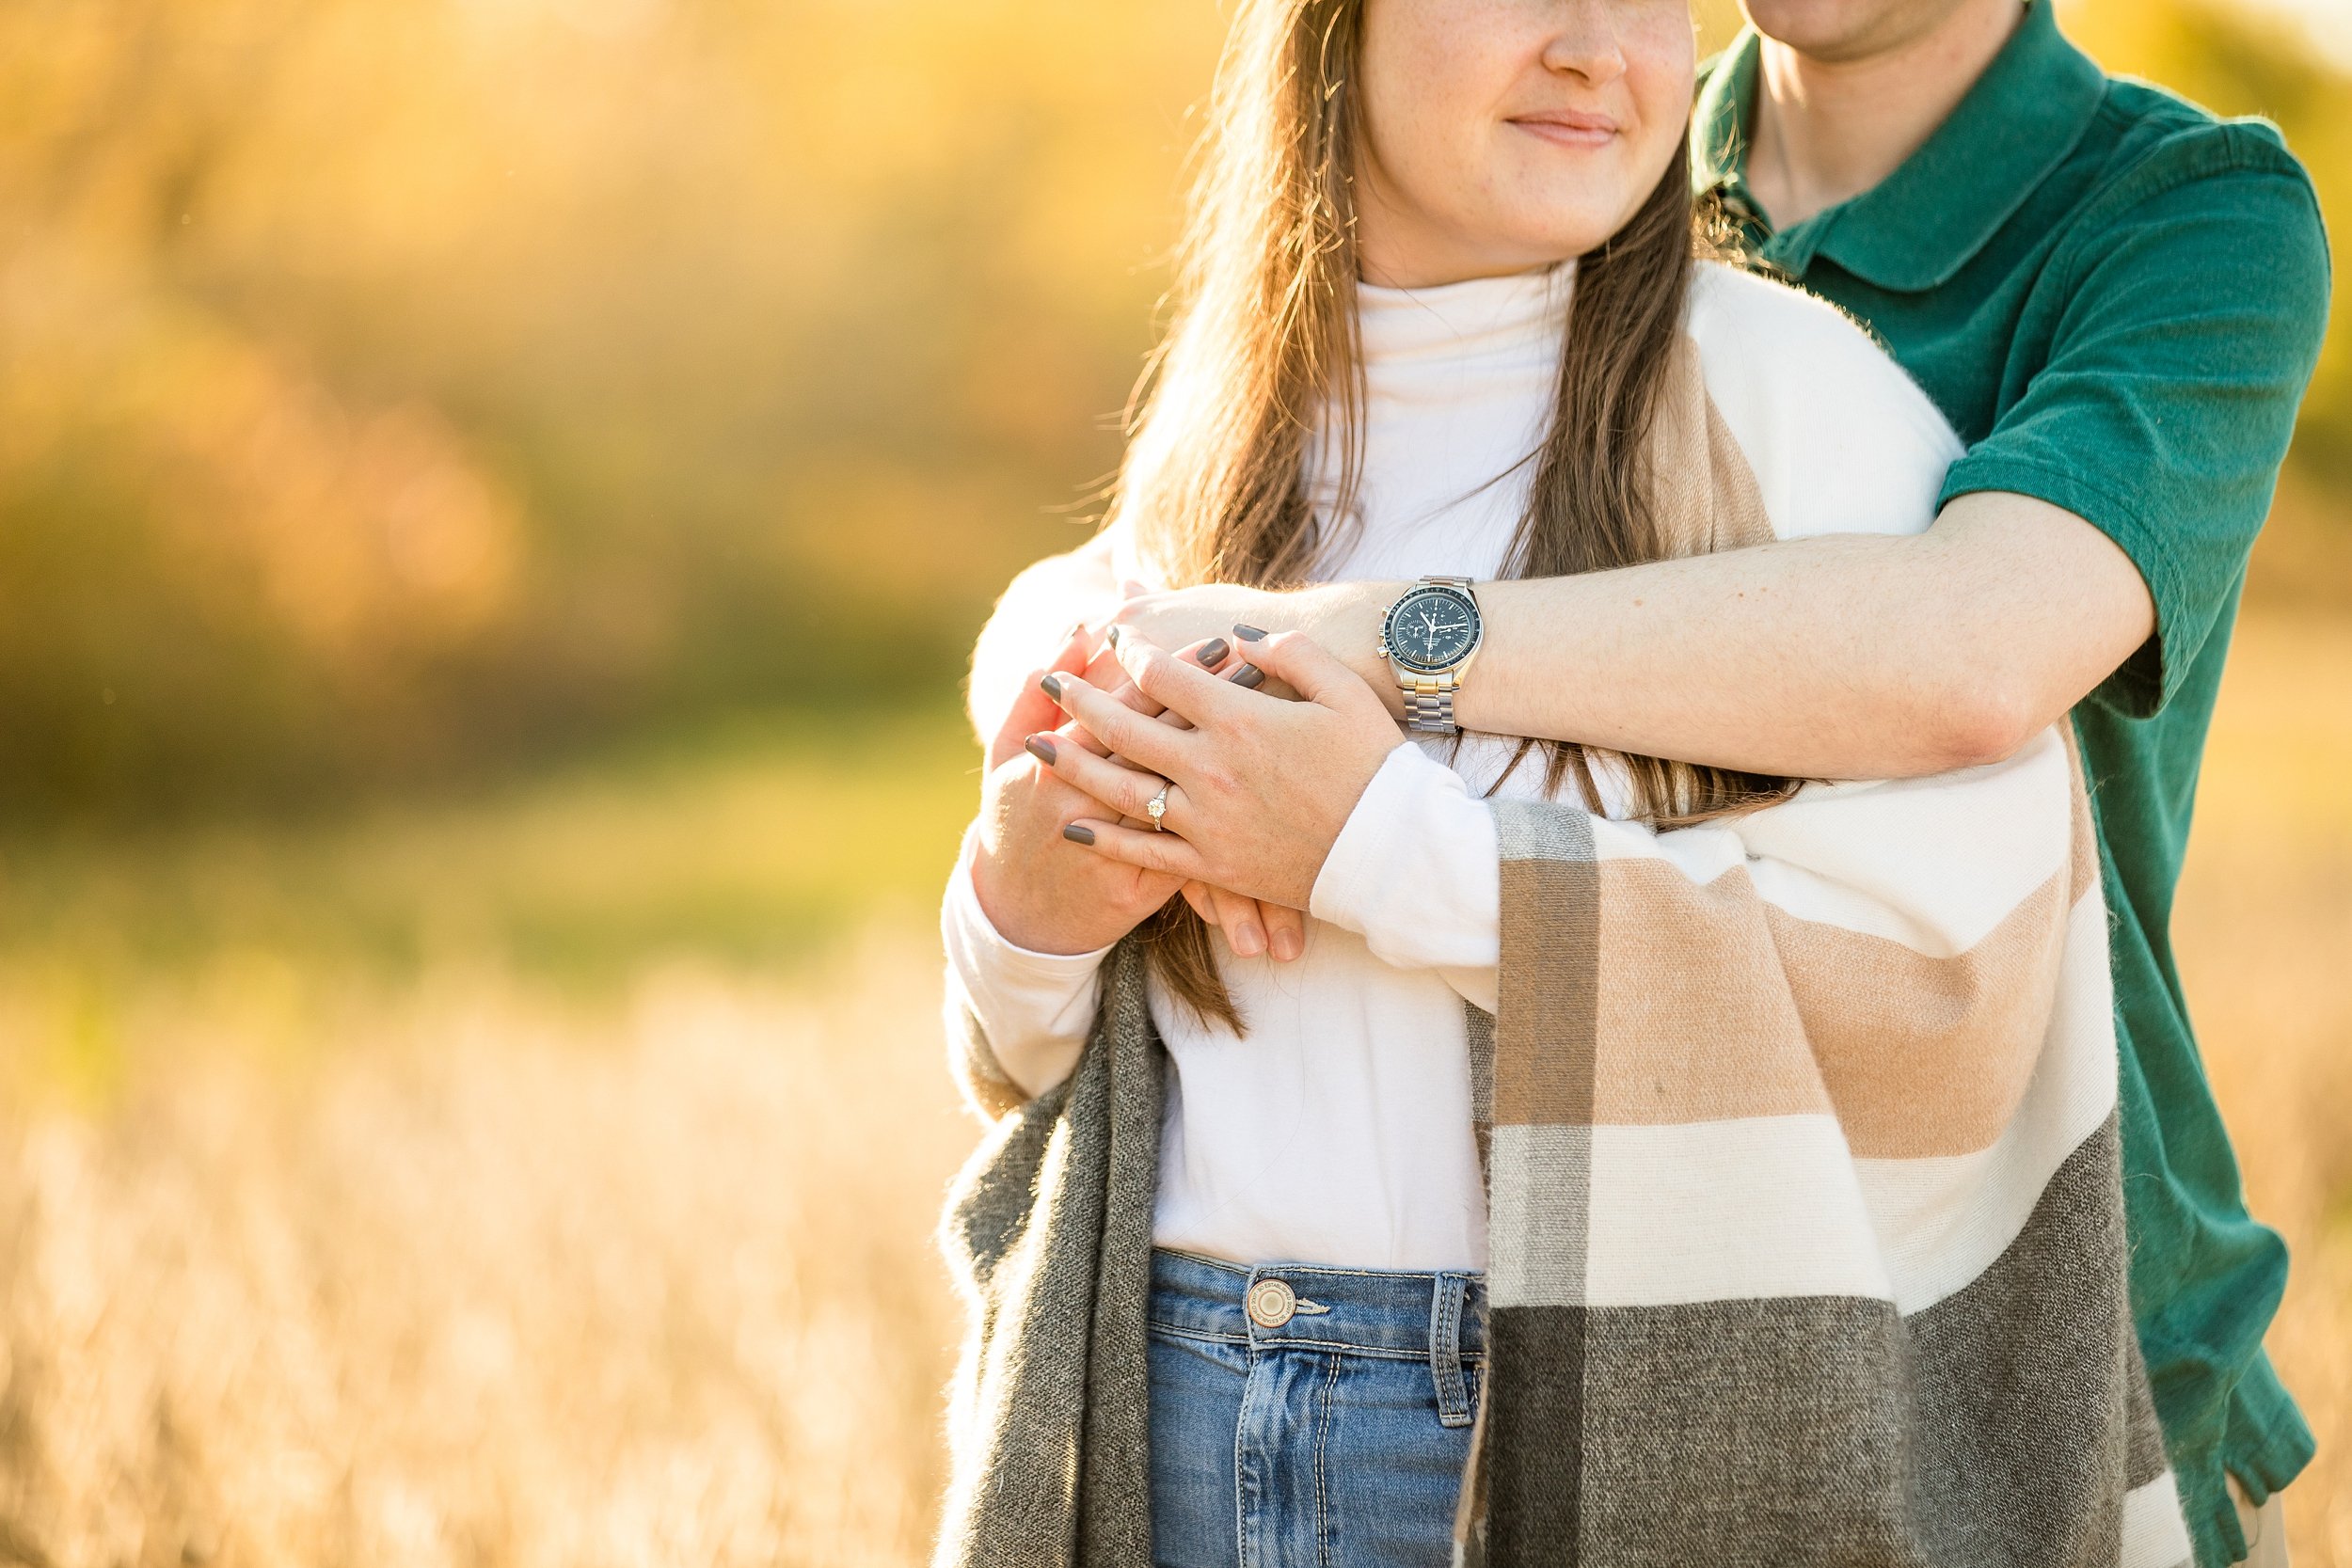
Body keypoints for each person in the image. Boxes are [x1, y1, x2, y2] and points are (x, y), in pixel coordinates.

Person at [963, 2, 2329, 1563]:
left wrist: (1369, 690)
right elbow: (1110, 613)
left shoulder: (2151, 227)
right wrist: (1075, 707)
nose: (1597, 40)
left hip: (2038, 1277)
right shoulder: (1607, 155)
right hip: (1274, 1383)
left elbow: (1969, 657)